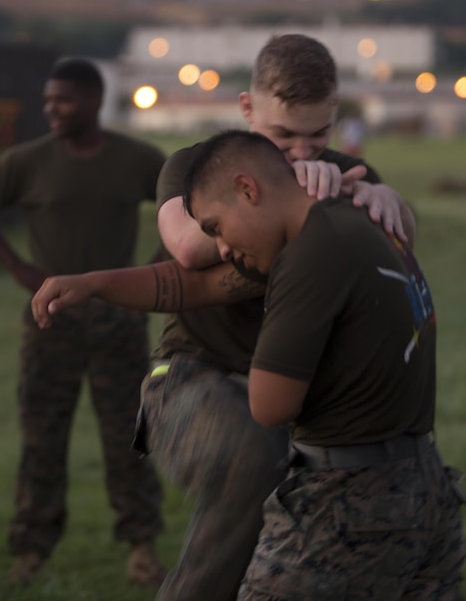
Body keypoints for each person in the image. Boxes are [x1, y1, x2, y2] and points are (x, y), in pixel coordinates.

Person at [32, 35, 416, 601]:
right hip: (192, 378)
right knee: (252, 463)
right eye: (283, 135)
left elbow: (396, 255)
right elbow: (187, 249)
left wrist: (388, 201)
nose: (302, 154)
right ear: (246, 109)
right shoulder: (199, 166)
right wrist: (294, 206)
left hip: (297, 390)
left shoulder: (342, 172)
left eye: (318, 135)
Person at [182, 129, 465, 600]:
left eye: (215, 226)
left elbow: (269, 404)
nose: (224, 248)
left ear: (247, 189)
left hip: (348, 503)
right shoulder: (367, 220)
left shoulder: (309, 251)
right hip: (426, 484)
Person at [0, 58, 167, 587]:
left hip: (119, 322)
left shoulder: (135, 158)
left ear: (94, 101)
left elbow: (182, 207)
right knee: (42, 436)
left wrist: (153, 269)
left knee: (129, 436)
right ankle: (31, 551)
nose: (50, 109)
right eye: (47, 100)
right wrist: (22, 268)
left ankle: (141, 547)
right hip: (51, 322)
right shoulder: (27, 162)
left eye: (63, 100)